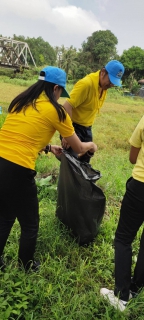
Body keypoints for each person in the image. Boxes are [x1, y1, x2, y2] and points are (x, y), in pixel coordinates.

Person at [0, 66, 97, 272]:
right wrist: (91, 145)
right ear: (55, 88)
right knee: (30, 223)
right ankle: (27, 266)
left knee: (6, 216)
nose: (60, 96)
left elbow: (22, 135)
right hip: (18, 169)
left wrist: (49, 147)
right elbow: (79, 148)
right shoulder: (57, 111)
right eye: (61, 91)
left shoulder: (20, 102)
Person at [100, 115, 144, 311]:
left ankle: (121, 296)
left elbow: (133, 157)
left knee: (123, 239)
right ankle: (137, 288)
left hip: (140, 186)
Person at [61, 60, 125, 163]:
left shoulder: (103, 87)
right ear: (103, 72)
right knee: (71, 164)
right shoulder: (86, 84)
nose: (112, 85)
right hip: (74, 127)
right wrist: (68, 134)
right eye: (111, 80)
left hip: (87, 129)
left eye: (114, 82)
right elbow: (66, 106)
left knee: (84, 164)